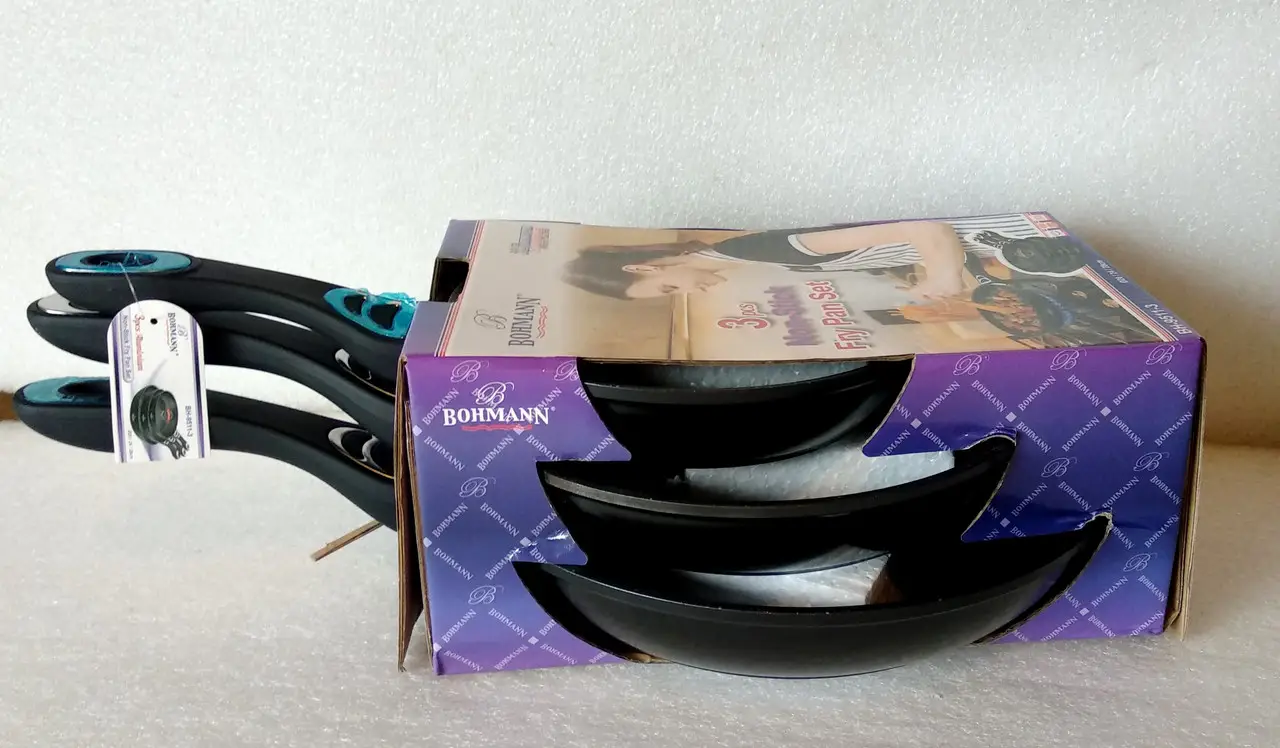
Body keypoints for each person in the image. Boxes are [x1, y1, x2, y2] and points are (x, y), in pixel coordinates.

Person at [561, 221, 971, 301]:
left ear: (643, 267)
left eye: (669, 288)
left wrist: (943, 279)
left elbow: (929, 230)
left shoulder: (761, 250)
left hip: (994, 238)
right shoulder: (750, 263)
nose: (688, 293)